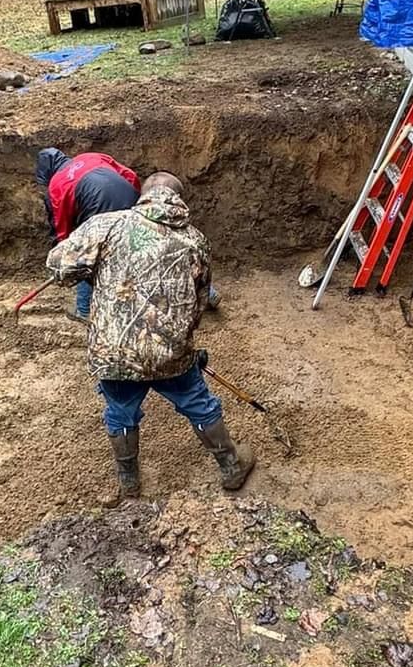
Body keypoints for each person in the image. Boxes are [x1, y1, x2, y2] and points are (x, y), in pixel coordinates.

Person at [46, 171, 254, 499]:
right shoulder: (196, 241)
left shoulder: (105, 225)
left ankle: (129, 479)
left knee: (120, 410)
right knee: (197, 401)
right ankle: (231, 466)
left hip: (114, 351)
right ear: (179, 199)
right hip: (170, 352)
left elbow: (59, 268)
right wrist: (184, 346)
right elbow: (199, 304)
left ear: (141, 194)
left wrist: (89, 270)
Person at [35, 147, 140, 320]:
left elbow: (61, 225)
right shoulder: (91, 156)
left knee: (86, 256)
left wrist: (67, 255)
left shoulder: (56, 183)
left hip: (97, 207)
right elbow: (130, 176)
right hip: (130, 197)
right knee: (128, 252)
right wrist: (134, 200)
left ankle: (84, 310)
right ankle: (130, 305)